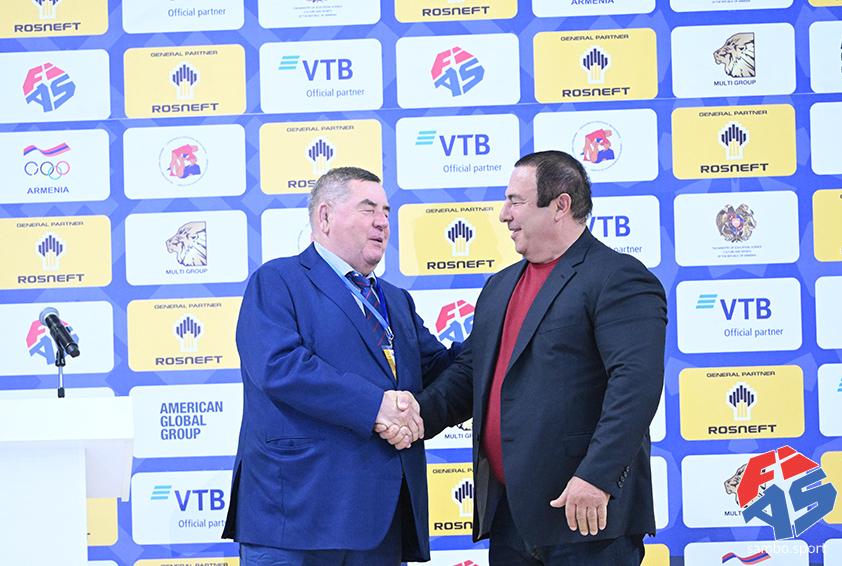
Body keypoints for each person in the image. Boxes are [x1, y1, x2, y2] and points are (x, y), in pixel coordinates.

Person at [392, 150, 667, 565]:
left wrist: (597, 477)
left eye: (515, 201)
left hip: (585, 514)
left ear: (560, 205)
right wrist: (414, 417)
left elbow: (635, 386)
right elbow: (470, 374)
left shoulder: (618, 277)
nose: (504, 214)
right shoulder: (499, 286)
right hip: (511, 516)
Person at [223, 167, 459, 565]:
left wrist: (500, 329)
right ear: (325, 216)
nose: (382, 222)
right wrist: (376, 407)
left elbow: (438, 368)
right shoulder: (277, 280)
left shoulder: (395, 300)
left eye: (386, 211)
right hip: (295, 517)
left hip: (379, 521)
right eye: (368, 209)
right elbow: (280, 366)